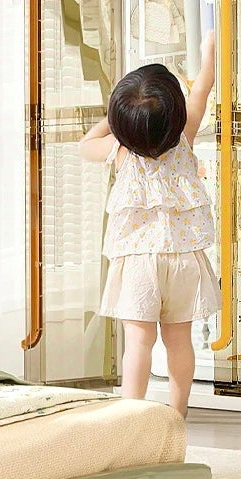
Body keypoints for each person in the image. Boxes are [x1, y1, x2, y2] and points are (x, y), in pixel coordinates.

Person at [80, 33, 218, 417]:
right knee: (179, 343)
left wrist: (116, 121)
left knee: (138, 344)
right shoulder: (184, 139)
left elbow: (84, 144)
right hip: (184, 261)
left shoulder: (121, 152)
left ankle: (131, 416)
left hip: (139, 262)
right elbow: (203, 90)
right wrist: (209, 51)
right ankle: (177, 413)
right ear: (175, 115)